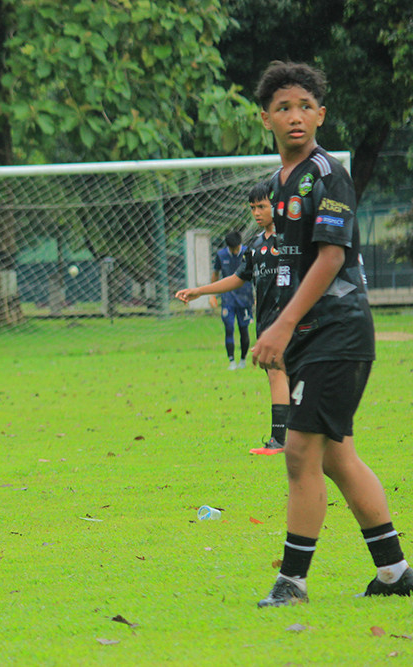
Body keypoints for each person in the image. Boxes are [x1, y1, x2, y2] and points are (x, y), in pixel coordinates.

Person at [250, 60, 411, 607]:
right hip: (311, 337)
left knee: (299, 453)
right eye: (283, 108)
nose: (295, 116)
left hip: (338, 331)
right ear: (266, 118)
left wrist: (281, 325)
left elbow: (330, 258)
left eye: (305, 106)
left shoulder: (327, 173)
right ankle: (394, 573)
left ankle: (291, 583)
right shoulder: (279, 183)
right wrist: (282, 328)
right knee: (337, 457)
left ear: (321, 114)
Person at [175, 181, 289, 455]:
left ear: (277, 205)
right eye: (252, 208)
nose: (256, 213)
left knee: (280, 373)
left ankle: (281, 440)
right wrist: (200, 291)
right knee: (278, 374)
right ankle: (290, 439)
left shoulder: (290, 240)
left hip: (288, 319)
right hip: (265, 320)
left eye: (262, 206)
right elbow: (238, 278)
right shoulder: (256, 245)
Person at [211, 230, 254, 370]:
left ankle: (243, 360)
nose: (235, 251)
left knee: (243, 329)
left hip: (245, 297)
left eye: (236, 248)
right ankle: (231, 361)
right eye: (232, 249)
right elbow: (215, 273)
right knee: (229, 328)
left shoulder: (248, 252)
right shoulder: (221, 255)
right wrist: (212, 295)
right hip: (228, 298)